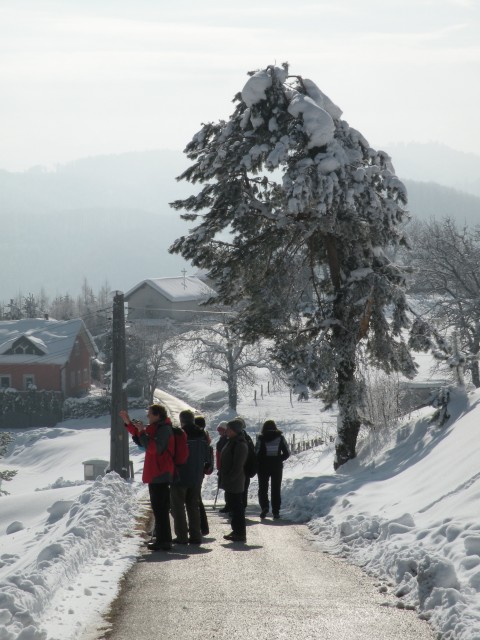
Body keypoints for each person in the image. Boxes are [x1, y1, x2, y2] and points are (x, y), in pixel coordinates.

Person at [120, 404, 188, 551]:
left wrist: (142, 432)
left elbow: (153, 448)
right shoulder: (158, 427)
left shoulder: (163, 430)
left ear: (158, 415)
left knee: (160, 509)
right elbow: (140, 437)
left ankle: (164, 541)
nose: (147, 416)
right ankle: (163, 540)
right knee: (159, 509)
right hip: (157, 472)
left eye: (150, 414)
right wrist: (128, 423)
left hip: (160, 473)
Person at [170, 410, 210, 545]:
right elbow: (207, 453)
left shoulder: (179, 434)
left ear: (182, 421)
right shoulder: (202, 435)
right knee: (193, 506)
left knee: (178, 507)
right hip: (196, 476)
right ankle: (196, 535)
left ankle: (182, 536)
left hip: (180, 475)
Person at [219, 418, 248, 543]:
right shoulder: (232, 441)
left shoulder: (240, 444)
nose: (227, 431)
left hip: (235, 481)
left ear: (235, 430)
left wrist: (229, 478)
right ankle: (236, 530)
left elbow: (238, 466)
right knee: (233, 507)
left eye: (229, 429)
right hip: (230, 480)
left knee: (237, 507)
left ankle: (240, 533)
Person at [255, 419, 290, 520]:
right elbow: (287, 453)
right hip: (277, 467)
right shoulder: (280, 438)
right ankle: (276, 511)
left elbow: (256, 453)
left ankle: (264, 507)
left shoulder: (260, 438)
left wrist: (259, 462)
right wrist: (279, 459)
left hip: (263, 467)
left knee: (263, 489)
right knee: (276, 489)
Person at [194, 415, 213, 535]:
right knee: (197, 498)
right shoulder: (205, 436)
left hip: (195, 470)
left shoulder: (199, 436)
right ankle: (203, 527)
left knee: (196, 499)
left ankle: (203, 526)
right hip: (200, 470)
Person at [215, 421, 229, 512]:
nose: (219, 432)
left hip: (225, 466)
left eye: (221, 430)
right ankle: (227, 504)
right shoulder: (222, 439)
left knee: (228, 487)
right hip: (222, 466)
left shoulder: (226, 440)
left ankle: (228, 505)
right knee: (226, 486)